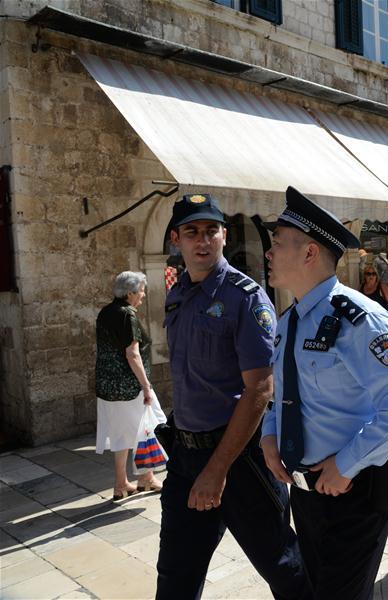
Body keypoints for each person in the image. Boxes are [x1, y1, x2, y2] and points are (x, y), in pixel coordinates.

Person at [261, 187, 388, 599]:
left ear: (309, 253)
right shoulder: (289, 321)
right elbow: (282, 393)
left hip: (353, 493)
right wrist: (269, 435)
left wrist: (346, 464)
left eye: (277, 244)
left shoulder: (358, 319)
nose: (267, 253)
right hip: (306, 495)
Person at [156, 194, 303, 599]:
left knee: (284, 567)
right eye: (192, 232)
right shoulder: (177, 295)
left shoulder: (245, 297)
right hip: (186, 456)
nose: (202, 241)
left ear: (223, 235)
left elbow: (260, 385)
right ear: (176, 239)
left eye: (211, 231)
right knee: (175, 575)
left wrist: (217, 469)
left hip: (238, 459)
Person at [94, 271, 165, 499]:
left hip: (107, 386)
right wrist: (146, 386)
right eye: (142, 290)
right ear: (131, 293)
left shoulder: (105, 312)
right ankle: (145, 477)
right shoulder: (127, 315)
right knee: (150, 426)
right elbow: (132, 354)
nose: (143, 295)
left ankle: (123, 483)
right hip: (129, 386)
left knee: (121, 434)